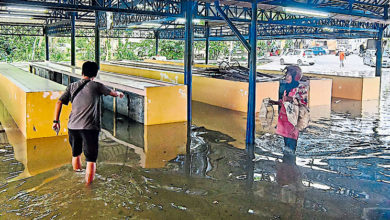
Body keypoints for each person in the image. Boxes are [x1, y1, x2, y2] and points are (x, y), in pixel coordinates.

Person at [53, 61, 124, 185]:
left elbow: (59, 102)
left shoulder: (72, 86)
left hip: (73, 127)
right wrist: (119, 94)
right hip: (89, 128)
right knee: (91, 160)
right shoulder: (97, 86)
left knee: (76, 154)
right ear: (95, 74)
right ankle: (88, 189)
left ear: (82, 72)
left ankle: (77, 177)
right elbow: (113, 93)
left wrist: (56, 121)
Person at [269, 65, 308, 153]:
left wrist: (292, 99)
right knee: (286, 146)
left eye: (289, 75)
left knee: (291, 147)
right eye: (286, 75)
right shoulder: (287, 88)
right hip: (284, 122)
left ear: (295, 77)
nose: (286, 77)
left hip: (293, 123)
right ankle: (286, 163)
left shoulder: (300, 88)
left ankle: (290, 164)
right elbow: (283, 102)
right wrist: (274, 102)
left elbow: (303, 104)